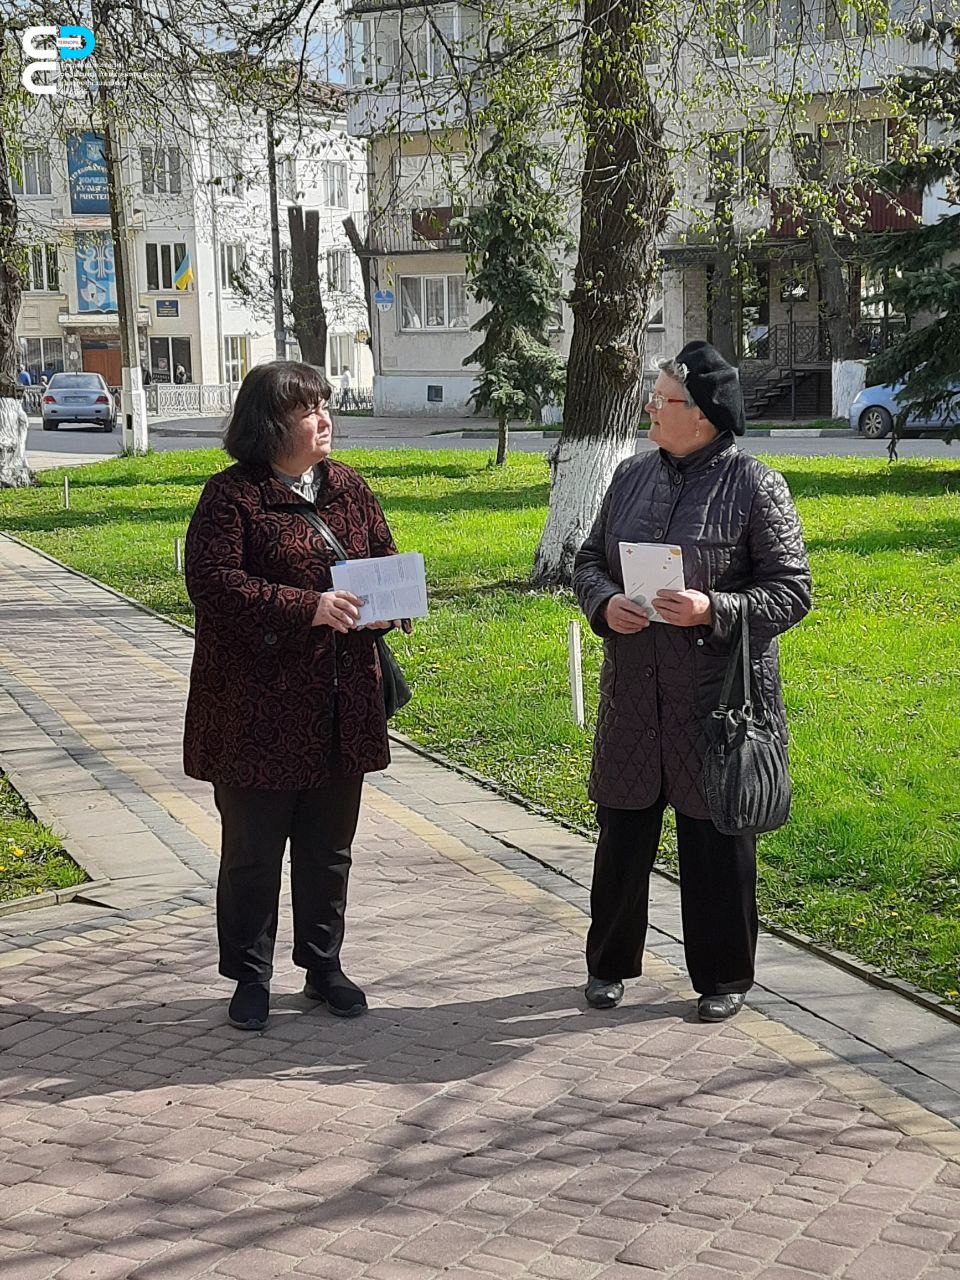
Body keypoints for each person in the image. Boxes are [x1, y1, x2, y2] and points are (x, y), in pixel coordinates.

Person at [573, 341, 811, 1022]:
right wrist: (603, 603)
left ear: (702, 416)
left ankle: (724, 977)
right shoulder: (630, 478)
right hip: (634, 697)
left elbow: (792, 591)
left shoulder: (755, 486)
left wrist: (717, 608)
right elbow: (590, 561)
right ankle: (608, 967)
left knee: (716, 850)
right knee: (621, 844)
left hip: (716, 707)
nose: (650, 407)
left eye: (663, 399)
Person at [183, 361, 409, 1032]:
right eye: (309, 409)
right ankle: (249, 976)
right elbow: (214, 585)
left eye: (325, 406)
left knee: (327, 849)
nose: (324, 419)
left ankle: (323, 967)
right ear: (269, 423)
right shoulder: (232, 498)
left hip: (340, 706)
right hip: (256, 712)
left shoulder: (348, 487)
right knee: (252, 852)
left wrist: (389, 603)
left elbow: (385, 558)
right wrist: (306, 606)